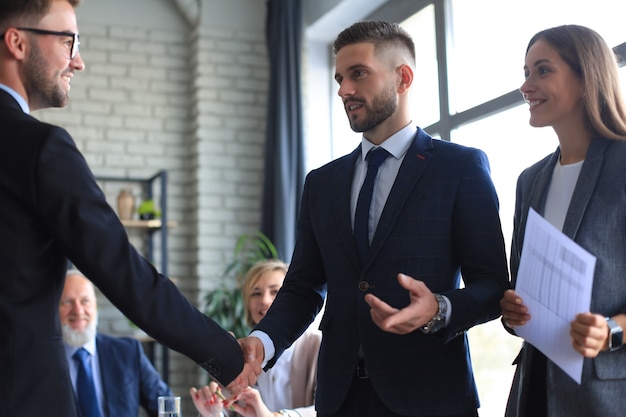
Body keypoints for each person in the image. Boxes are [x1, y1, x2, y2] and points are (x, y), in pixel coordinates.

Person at [238, 20, 510, 417]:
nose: (344, 90)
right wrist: (264, 341)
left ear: (403, 78)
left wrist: (438, 309)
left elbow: (492, 286)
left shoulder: (460, 167)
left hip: (429, 396)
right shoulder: (322, 182)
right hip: (338, 397)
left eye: (358, 74)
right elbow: (303, 286)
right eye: (339, 78)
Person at [0, 1, 258, 415]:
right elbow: (124, 272)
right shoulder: (39, 148)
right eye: (69, 41)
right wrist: (226, 356)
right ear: (17, 42)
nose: (78, 61)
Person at [500, 24, 626, 417]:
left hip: (605, 396)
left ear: (586, 77)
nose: (526, 86)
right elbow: (519, 283)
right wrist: (512, 311)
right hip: (534, 390)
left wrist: (613, 330)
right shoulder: (529, 181)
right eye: (525, 73)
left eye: (542, 70)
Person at [191, 259, 321, 417]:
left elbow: (328, 410)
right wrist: (214, 412)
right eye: (256, 293)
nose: (265, 300)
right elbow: (228, 407)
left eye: (275, 292)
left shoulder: (318, 345)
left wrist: (276, 416)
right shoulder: (241, 352)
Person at [60, 270, 172, 417]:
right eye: (67, 302)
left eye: (85, 301)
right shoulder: (39, 361)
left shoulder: (128, 352)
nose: (78, 310)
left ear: (95, 307)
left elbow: (166, 404)